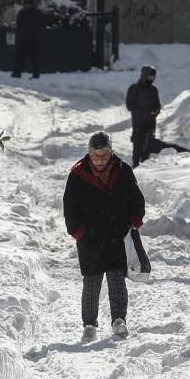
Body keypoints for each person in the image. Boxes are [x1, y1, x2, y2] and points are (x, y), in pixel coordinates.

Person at [63, 132, 146, 341]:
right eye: (95, 155)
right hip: (89, 239)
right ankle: (89, 325)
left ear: (111, 152)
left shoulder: (123, 171)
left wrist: (134, 222)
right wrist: (78, 231)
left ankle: (119, 320)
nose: (99, 159)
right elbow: (70, 207)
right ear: (89, 154)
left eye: (103, 154)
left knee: (117, 281)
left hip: (117, 236)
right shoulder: (77, 174)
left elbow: (137, 200)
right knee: (91, 284)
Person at [125, 65, 161, 166]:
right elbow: (129, 105)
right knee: (138, 147)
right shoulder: (134, 88)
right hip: (138, 122)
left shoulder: (154, 90)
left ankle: (145, 169)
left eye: (153, 77)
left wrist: (156, 111)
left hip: (151, 122)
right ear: (144, 75)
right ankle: (135, 168)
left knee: (148, 147)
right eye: (150, 76)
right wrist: (142, 111)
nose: (151, 79)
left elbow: (157, 105)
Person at [13, 0, 43, 79]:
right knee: (19, 57)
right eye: (25, 4)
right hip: (23, 39)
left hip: (33, 40)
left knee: (35, 58)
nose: (26, 5)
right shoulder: (22, 12)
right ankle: (16, 73)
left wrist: (36, 34)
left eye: (28, 4)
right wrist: (19, 33)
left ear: (32, 4)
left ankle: (36, 74)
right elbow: (18, 23)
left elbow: (41, 25)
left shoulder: (37, 12)